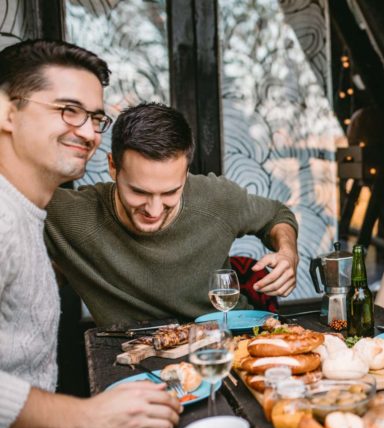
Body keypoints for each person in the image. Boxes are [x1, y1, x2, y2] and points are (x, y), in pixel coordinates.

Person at [0, 39, 179, 428]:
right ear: (6, 111)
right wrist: (84, 418)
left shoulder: (26, 212)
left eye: (96, 117)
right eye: (68, 110)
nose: (88, 131)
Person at [44, 102, 299, 326]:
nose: (154, 210)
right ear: (113, 167)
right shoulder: (68, 213)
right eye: (139, 192)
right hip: (137, 361)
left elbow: (276, 215)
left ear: (186, 172)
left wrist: (288, 253)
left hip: (230, 343)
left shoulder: (217, 197)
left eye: (170, 192)